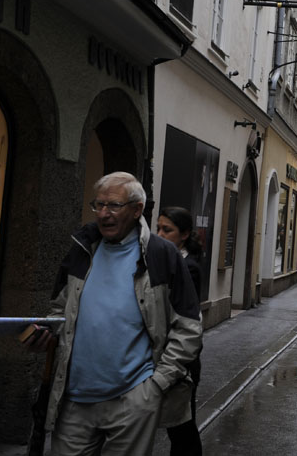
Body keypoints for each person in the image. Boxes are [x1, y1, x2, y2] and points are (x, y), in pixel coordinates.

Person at [27, 172, 202, 456]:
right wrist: (44, 332)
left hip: (133, 398)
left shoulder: (161, 255)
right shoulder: (83, 248)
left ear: (137, 210)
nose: (104, 214)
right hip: (74, 398)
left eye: (114, 206)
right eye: (99, 205)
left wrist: (157, 385)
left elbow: (189, 327)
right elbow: (59, 311)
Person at [157, 206, 204, 456]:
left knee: (182, 425)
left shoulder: (189, 266)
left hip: (182, 357)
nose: (160, 234)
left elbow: (186, 317)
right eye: (158, 228)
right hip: (164, 353)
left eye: (167, 230)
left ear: (184, 234)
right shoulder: (165, 259)